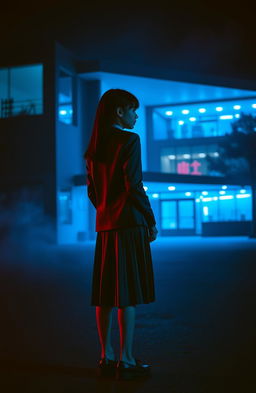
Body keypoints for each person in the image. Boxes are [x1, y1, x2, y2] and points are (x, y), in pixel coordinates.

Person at [84, 89, 158, 379]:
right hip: (129, 225)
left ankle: (107, 356)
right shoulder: (129, 140)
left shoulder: (93, 149)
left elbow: (93, 191)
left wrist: (105, 209)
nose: (135, 115)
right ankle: (126, 360)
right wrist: (150, 220)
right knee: (126, 294)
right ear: (119, 111)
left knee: (104, 294)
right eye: (132, 109)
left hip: (105, 226)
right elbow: (134, 186)